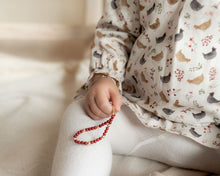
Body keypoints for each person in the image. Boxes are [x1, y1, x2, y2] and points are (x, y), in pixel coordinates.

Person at [51, 0, 220, 175]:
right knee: (82, 115)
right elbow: (117, 30)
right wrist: (106, 75)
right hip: (141, 111)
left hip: (213, 133)